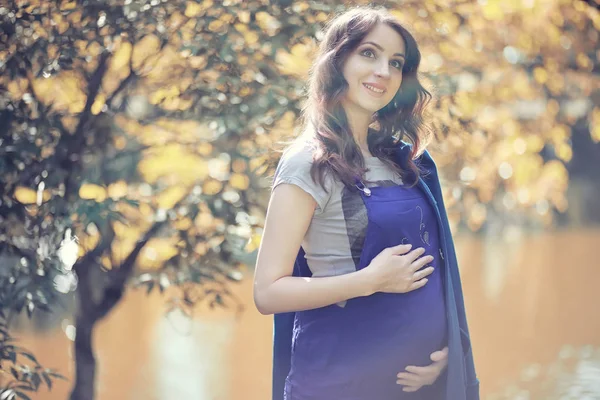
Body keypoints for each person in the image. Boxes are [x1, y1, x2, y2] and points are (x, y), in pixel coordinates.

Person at [253, 6, 479, 400]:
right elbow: (267, 292)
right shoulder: (307, 163)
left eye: (396, 62)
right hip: (337, 385)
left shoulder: (408, 161)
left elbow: (438, 267)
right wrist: (370, 281)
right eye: (369, 54)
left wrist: (447, 355)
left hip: (417, 388)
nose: (384, 72)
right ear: (337, 60)